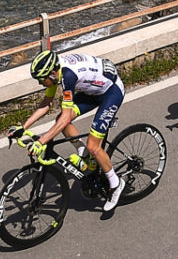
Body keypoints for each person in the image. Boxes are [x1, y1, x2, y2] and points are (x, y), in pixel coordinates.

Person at [18, 49, 129, 213]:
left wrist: (42, 141)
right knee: (61, 121)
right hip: (93, 91)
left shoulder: (68, 76)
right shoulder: (57, 72)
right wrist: (23, 127)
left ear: (53, 73)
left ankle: (116, 184)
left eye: (41, 80)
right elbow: (47, 103)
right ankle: (84, 154)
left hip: (111, 92)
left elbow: (65, 118)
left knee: (94, 146)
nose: (40, 84)